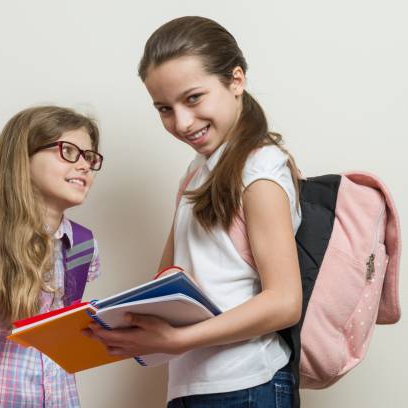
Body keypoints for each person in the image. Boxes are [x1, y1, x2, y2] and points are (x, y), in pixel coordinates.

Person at [86, 16, 302, 407]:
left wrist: (179, 339)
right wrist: (117, 324)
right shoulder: (196, 172)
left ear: (236, 80)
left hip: (248, 384)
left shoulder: (261, 170)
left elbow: (285, 301)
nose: (182, 122)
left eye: (193, 98)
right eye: (164, 108)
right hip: (192, 386)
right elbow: (170, 278)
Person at [0, 106, 104, 407]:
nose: (84, 165)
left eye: (90, 158)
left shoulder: (81, 244)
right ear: (22, 158)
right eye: (68, 151)